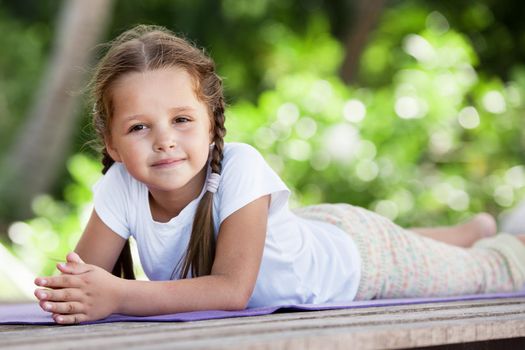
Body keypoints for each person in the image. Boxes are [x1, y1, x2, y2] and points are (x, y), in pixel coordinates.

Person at [34, 25, 525, 325]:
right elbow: (78, 283)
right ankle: (470, 230)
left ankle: (499, 239)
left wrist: (118, 294)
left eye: (181, 120)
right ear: (113, 144)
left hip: (365, 262)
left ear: (211, 124)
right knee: (427, 241)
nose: (164, 139)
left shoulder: (240, 165)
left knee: (490, 271)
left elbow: (231, 290)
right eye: (140, 127)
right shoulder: (122, 186)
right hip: (314, 231)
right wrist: (75, 293)